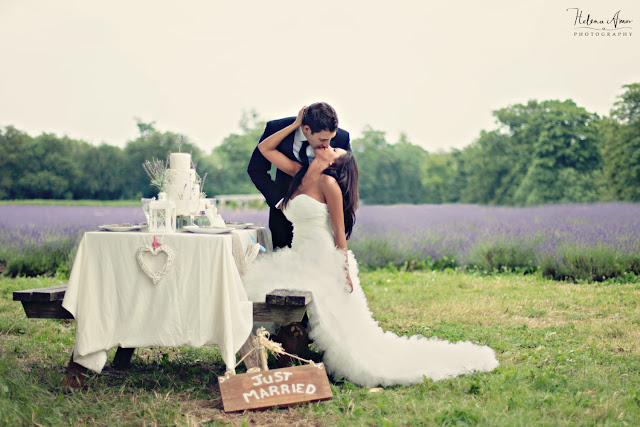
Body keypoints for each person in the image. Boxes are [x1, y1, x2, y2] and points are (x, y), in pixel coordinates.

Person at [242, 107, 499, 388]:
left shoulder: (329, 183)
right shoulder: (299, 174)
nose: (330, 146)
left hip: (321, 258)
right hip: (298, 255)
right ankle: (276, 349)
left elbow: (340, 233)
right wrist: (295, 123)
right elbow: (265, 148)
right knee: (256, 287)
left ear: (333, 165)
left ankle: (299, 349)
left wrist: (344, 269)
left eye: (334, 149)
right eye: (325, 143)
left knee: (337, 324)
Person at [247, 102, 351, 249]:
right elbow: (256, 168)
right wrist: (280, 202)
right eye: (322, 140)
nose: (328, 145)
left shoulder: (341, 139)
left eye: (331, 141)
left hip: (320, 221)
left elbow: (345, 180)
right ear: (306, 129)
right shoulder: (296, 168)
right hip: (284, 216)